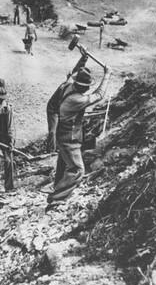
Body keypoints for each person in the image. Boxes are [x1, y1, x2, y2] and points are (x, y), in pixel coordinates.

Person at [46, 66, 111, 208]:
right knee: (77, 169)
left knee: (63, 165)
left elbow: (71, 75)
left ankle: (57, 188)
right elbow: (99, 95)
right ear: (81, 87)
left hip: (61, 133)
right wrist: (107, 75)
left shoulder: (66, 86)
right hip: (69, 137)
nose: (87, 89)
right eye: (86, 87)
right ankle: (57, 198)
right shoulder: (76, 99)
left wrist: (83, 60)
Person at [46, 48, 89, 152]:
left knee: (61, 129)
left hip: (61, 110)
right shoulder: (68, 86)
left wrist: (84, 58)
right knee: (53, 131)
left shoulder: (72, 83)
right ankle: (51, 151)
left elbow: (77, 70)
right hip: (53, 109)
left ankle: (59, 148)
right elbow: (76, 72)